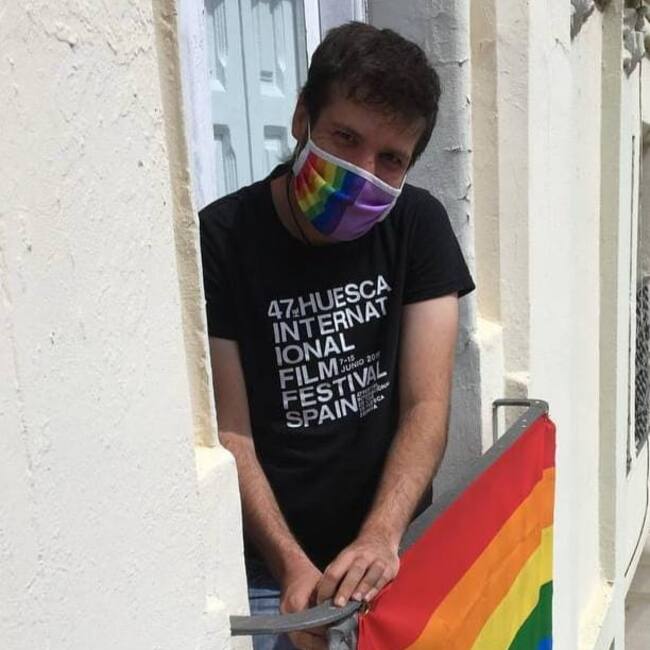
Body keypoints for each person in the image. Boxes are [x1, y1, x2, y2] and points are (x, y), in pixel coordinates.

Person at [199, 22, 475, 650]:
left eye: (391, 159)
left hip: (389, 554)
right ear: (302, 118)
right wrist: (292, 569)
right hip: (267, 572)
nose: (361, 172)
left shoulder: (420, 226)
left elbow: (426, 405)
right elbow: (231, 433)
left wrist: (380, 537)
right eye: (346, 139)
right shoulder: (219, 241)